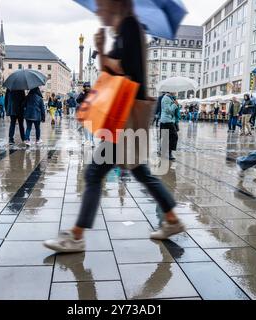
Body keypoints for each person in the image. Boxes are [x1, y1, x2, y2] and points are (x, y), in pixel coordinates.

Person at [44, 0, 184, 253]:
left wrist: (100, 49)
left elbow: (124, 72)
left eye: (101, 6)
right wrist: (102, 51)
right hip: (126, 117)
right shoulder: (124, 31)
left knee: (95, 173)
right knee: (140, 172)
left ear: (115, 4)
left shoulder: (131, 28)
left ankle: (76, 236)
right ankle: (172, 219)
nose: (99, 11)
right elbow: (108, 73)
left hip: (125, 118)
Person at [160, 93, 179, 160]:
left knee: (166, 137)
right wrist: (175, 104)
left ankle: (164, 152)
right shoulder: (166, 98)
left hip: (167, 120)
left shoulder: (170, 98)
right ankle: (168, 153)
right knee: (174, 136)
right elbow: (168, 110)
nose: (175, 92)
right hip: (167, 120)